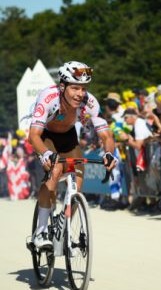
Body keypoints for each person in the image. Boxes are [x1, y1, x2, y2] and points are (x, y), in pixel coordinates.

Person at [28, 61, 118, 250]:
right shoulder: (48, 97)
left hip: (68, 137)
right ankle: (41, 230)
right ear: (62, 86)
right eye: (75, 88)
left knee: (77, 182)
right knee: (56, 169)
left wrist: (109, 153)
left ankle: (64, 219)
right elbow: (33, 136)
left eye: (83, 88)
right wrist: (45, 154)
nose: (80, 94)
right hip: (46, 135)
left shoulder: (90, 102)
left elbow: (106, 135)